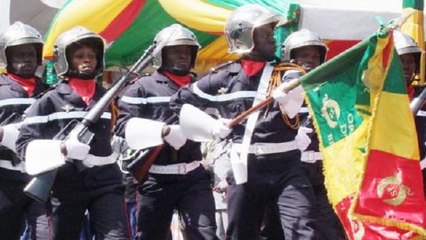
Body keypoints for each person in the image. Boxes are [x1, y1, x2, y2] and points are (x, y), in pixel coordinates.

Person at [170, 4, 318, 239]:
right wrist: (210, 125)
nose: (274, 39)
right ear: (245, 37)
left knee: (303, 229)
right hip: (245, 168)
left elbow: (297, 84)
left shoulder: (287, 72)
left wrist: (290, 94)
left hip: (287, 166)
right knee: (241, 233)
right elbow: (178, 102)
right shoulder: (223, 78)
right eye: (266, 33)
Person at [16, 26, 130, 239]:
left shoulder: (108, 98)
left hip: (106, 181)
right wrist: (61, 148)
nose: (87, 60)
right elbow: (24, 144)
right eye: (79, 56)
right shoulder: (48, 101)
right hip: (64, 183)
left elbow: (121, 128)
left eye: (91, 56)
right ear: (66, 60)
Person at [114, 23, 218, 240]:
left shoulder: (200, 87)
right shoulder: (141, 88)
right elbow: (123, 127)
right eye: (175, 51)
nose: (182, 56)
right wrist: (162, 131)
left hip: (194, 177)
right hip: (156, 178)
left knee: (205, 233)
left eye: (187, 51)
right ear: (161, 54)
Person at [281, 29, 346, 240]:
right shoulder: (276, 89)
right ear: (290, 58)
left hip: (324, 172)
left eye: (314, 56)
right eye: (303, 56)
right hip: (291, 171)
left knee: (331, 231)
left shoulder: (329, 90)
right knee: (296, 228)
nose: (309, 61)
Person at [0, 22, 50, 240]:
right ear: (7, 57)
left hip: (42, 177)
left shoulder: (50, 93)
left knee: (46, 233)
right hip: (4, 179)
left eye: (31, 53)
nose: (27, 59)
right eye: (19, 54)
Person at [393, 30, 426, 196]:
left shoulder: (424, 97)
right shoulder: (373, 98)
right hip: (388, 177)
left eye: (410, 60)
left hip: (421, 174)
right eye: (401, 60)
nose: (406, 65)